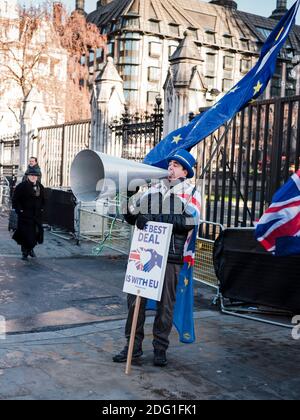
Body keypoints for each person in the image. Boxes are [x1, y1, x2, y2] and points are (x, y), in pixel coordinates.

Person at [113, 150, 199, 367]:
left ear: (185, 171)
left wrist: (152, 216)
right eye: (170, 163)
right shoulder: (153, 189)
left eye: (176, 165)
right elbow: (130, 216)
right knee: (135, 303)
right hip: (142, 255)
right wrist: (129, 194)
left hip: (170, 256)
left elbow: (188, 222)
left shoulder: (191, 192)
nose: (170, 167)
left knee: (165, 305)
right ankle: (132, 346)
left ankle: (160, 348)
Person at [12, 166, 45, 260]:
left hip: (36, 216)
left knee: (36, 234)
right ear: (28, 176)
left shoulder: (40, 187)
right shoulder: (21, 186)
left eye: (35, 175)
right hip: (25, 216)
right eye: (31, 175)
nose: (33, 177)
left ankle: (30, 249)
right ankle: (25, 252)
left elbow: (43, 199)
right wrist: (20, 210)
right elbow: (15, 199)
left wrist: (42, 208)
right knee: (26, 234)